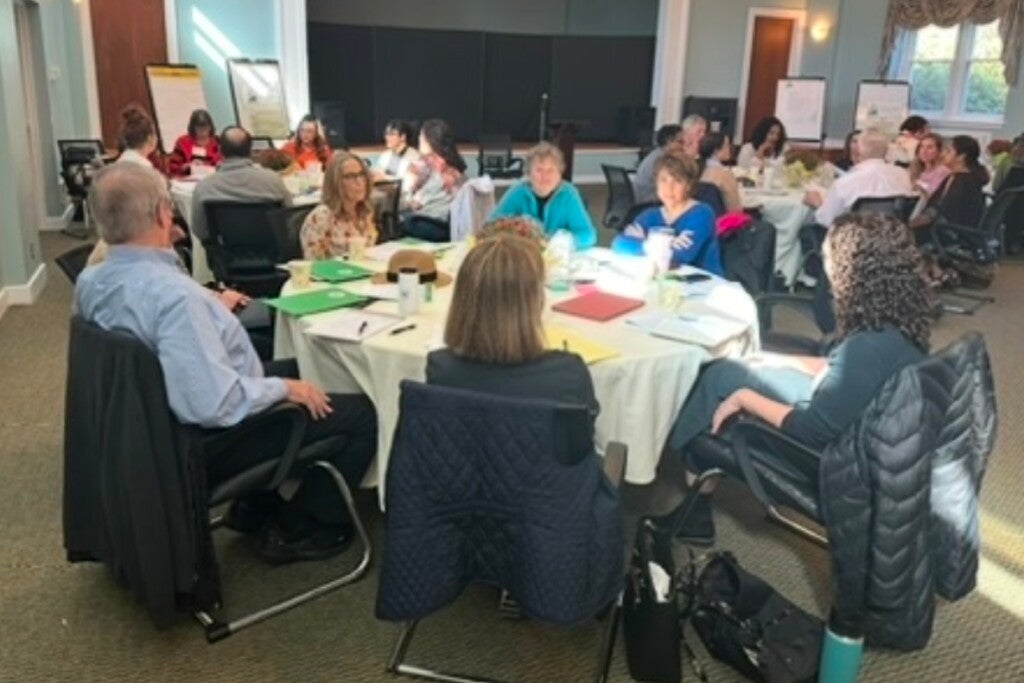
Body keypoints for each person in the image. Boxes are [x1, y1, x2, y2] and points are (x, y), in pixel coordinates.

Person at [76, 162, 377, 564]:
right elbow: (213, 404)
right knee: (362, 413)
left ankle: (256, 504)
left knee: (302, 369)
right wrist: (286, 390)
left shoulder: (92, 282)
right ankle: (304, 523)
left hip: (147, 434)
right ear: (164, 214)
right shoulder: (176, 300)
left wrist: (211, 314)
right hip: (205, 440)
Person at [668, 212, 932, 544]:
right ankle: (694, 464)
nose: (826, 270)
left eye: (828, 260)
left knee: (721, 383)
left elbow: (812, 430)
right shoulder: (896, 323)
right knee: (730, 372)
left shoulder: (868, 346)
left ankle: (690, 468)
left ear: (855, 271)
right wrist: (778, 360)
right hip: (860, 428)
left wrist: (745, 398)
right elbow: (844, 371)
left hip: (834, 462)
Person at [426, 232, 599, 433]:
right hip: (544, 464)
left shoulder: (441, 369)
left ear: (462, 302)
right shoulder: (568, 373)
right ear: (534, 303)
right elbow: (584, 435)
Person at [87, 105, 177, 266]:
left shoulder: (114, 169)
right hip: (137, 249)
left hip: (111, 248)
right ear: (151, 139)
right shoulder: (147, 175)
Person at [612, 153, 723, 275]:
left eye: (677, 181)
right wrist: (651, 246)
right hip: (664, 280)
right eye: (663, 180)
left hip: (704, 285)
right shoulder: (650, 215)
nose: (669, 188)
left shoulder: (702, 213)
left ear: (688, 185)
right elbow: (619, 244)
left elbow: (680, 256)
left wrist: (644, 242)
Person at [190, 126, 291, 242]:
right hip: (275, 254)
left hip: (226, 256)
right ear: (250, 151)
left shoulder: (204, 188)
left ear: (220, 151)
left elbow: (200, 231)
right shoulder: (273, 180)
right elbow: (289, 218)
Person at [489, 142, 596, 249]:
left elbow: (588, 235)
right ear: (529, 173)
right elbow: (491, 226)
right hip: (524, 253)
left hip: (558, 256)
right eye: (539, 170)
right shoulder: (517, 192)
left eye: (550, 170)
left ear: (560, 174)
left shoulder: (569, 194)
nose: (544, 176)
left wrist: (568, 241)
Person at [804, 128, 913, 227]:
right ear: (886, 151)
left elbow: (827, 220)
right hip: (894, 241)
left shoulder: (846, 182)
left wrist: (818, 204)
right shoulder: (903, 175)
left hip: (854, 243)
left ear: (858, 150)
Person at [300, 151, 377, 259]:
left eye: (361, 174)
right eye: (350, 176)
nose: (359, 181)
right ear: (335, 182)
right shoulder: (321, 217)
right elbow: (314, 264)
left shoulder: (365, 211)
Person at [401, 118, 466, 241]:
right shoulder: (457, 167)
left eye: (421, 136)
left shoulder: (432, 167)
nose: (419, 139)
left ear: (429, 140)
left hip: (431, 226)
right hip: (450, 226)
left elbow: (415, 203)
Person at [911, 135, 988, 235]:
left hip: (949, 233)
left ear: (961, 157)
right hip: (953, 230)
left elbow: (943, 211)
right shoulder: (962, 177)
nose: (942, 154)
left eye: (948, 151)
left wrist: (910, 224)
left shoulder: (961, 181)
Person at [634, 124, 683, 204]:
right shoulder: (662, 160)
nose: (682, 146)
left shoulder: (656, 153)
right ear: (669, 141)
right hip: (650, 201)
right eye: (680, 142)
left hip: (643, 197)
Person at [697, 131, 743, 213]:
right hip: (722, 222)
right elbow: (735, 210)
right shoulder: (725, 174)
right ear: (716, 150)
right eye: (727, 145)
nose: (730, 148)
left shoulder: (694, 169)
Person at [168, 108, 222, 177]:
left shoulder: (218, 141)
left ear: (211, 127)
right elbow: (173, 167)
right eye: (199, 129)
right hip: (190, 180)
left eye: (205, 128)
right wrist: (186, 167)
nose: (203, 132)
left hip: (215, 178)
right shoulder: (182, 142)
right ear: (192, 128)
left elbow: (226, 163)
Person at [371, 119, 420, 186]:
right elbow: (378, 173)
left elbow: (409, 181)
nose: (387, 137)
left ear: (403, 137)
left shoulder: (414, 157)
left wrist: (385, 178)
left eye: (392, 134)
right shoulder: (385, 155)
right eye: (386, 134)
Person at [909, 132, 950, 198]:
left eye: (929, 147)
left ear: (939, 151)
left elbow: (935, 193)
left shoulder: (942, 171)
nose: (924, 151)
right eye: (922, 147)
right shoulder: (916, 168)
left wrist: (919, 185)